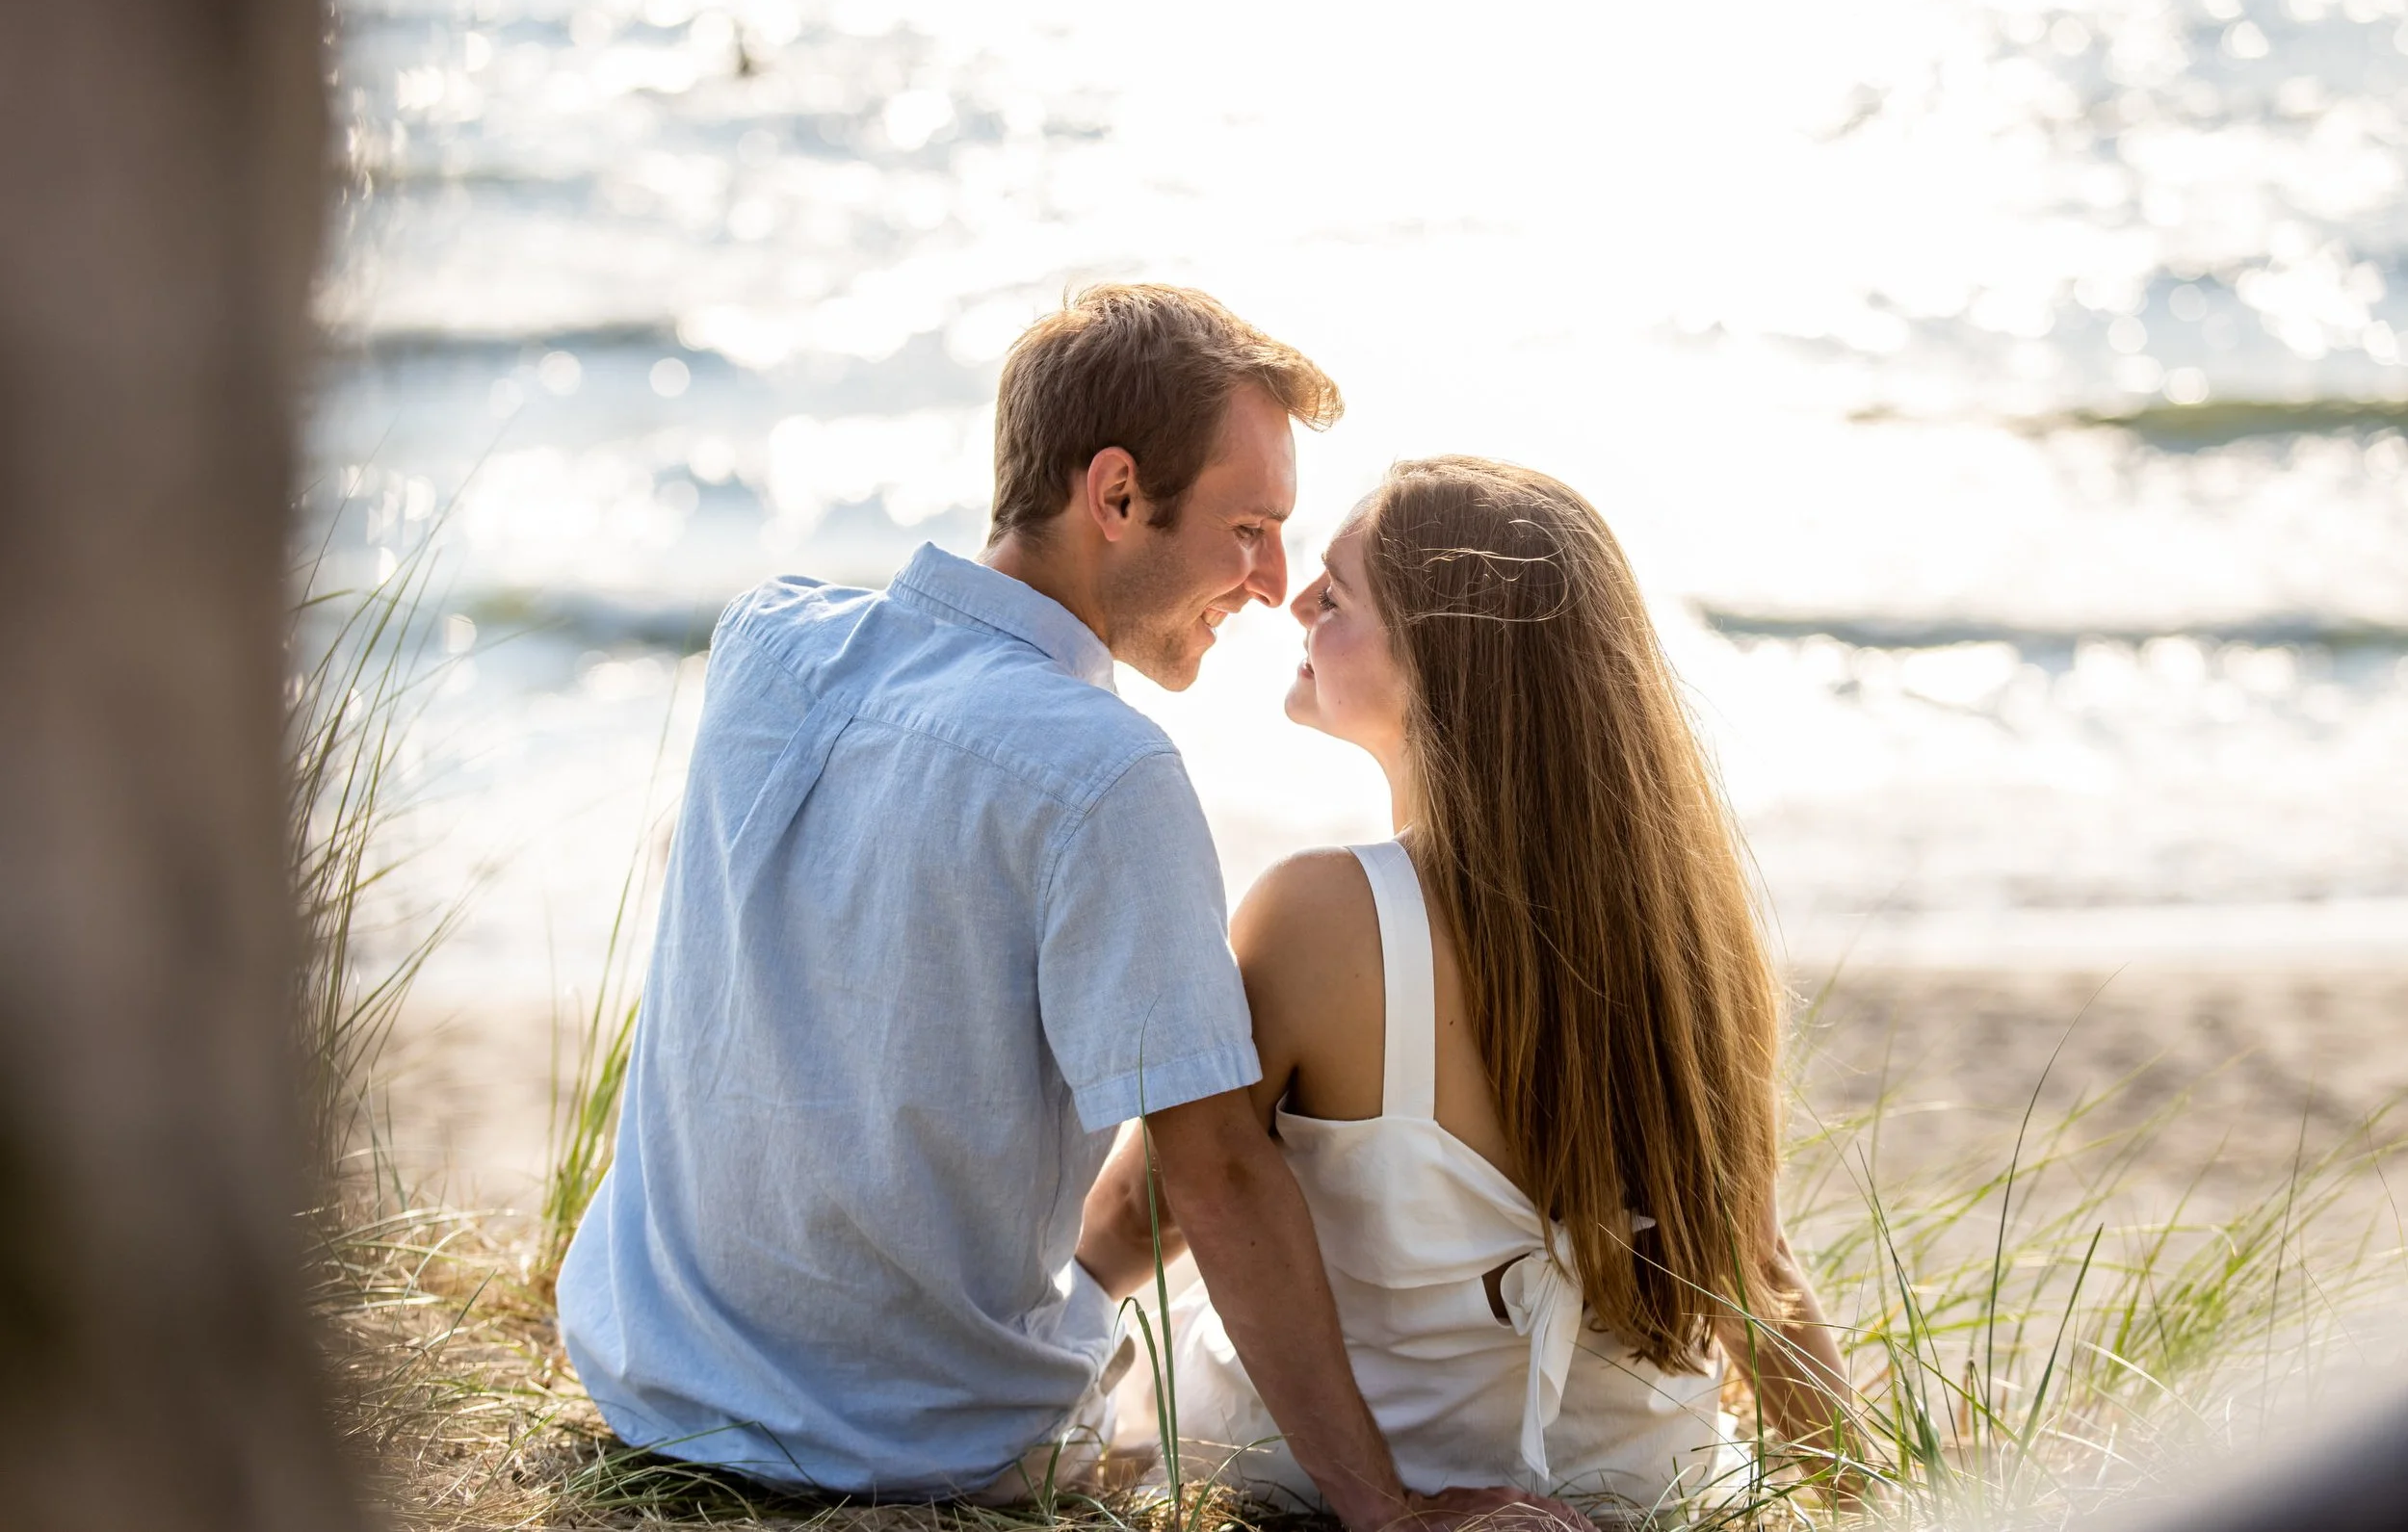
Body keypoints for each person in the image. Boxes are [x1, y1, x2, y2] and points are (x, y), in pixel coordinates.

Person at [556, 286, 1581, 1530]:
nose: (1269, 583)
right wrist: (1389, 1514)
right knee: (1199, 1364)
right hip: (912, 1445)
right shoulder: (1104, 770)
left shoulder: (766, 642)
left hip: (652, 1386)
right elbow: (1215, 1167)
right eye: (1249, 526)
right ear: (1113, 495)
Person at [1084, 456, 1861, 1519]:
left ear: (1443, 664)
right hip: (1635, 1483)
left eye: (1339, 594)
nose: (1296, 602)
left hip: (1335, 1481)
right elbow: (1753, 1262)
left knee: (1145, 1385)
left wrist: (1021, 1343)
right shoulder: (1691, 938)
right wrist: (1867, 1486)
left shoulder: (1319, 917)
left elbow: (1146, 1206)